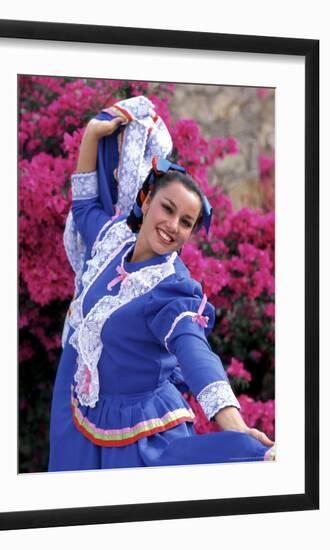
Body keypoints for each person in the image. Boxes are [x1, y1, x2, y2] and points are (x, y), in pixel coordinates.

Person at [48, 111, 276, 472]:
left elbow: (196, 354)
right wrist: (92, 134)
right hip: (77, 408)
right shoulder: (113, 239)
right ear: (146, 200)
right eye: (167, 209)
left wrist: (234, 425)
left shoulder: (174, 290)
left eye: (186, 223)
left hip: (137, 438)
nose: (172, 226)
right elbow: (84, 205)